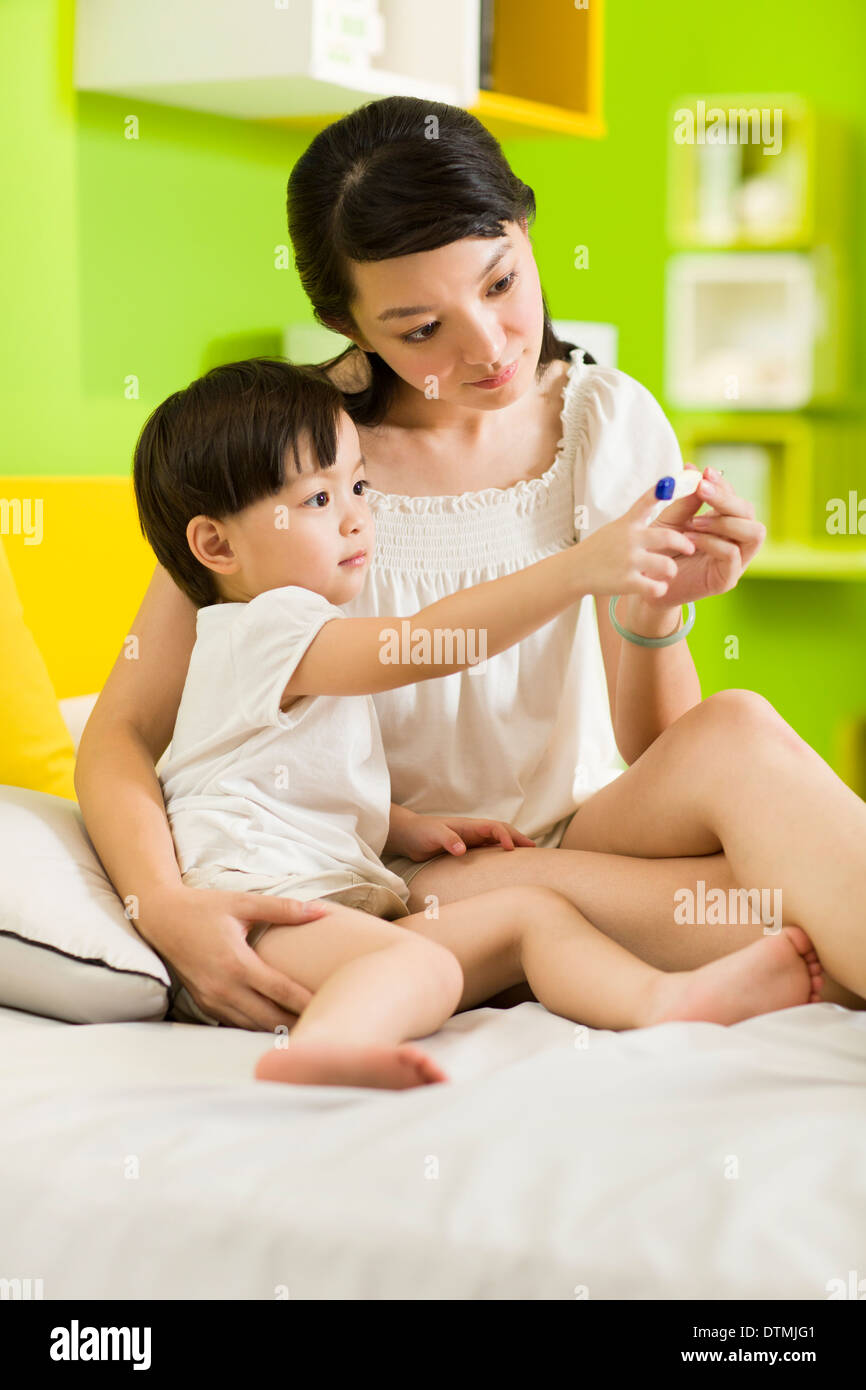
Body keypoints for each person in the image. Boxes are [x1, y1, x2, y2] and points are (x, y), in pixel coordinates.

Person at [75, 97, 866, 1032]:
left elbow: (660, 750)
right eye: (420, 330)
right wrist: (159, 907)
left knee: (737, 731)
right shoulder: (289, 465)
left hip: (581, 828)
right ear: (349, 322)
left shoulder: (609, 421)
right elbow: (123, 732)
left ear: (525, 230)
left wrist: (653, 612)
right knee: (791, 908)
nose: (488, 349)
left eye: (499, 284)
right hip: (410, 875)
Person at [131, 356, 823, 1088]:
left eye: (359, 486)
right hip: (255, 912)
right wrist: (580, 569)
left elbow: (302, 778)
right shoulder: (261, 629)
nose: (357, 515)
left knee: (532, 916)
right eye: (316, 501)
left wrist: (402, 826)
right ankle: (319, 1053)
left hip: (329, 895)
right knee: (415, 963)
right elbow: (419, 644)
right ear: (216, 546)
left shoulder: (303, 637)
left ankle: (666, 1001)